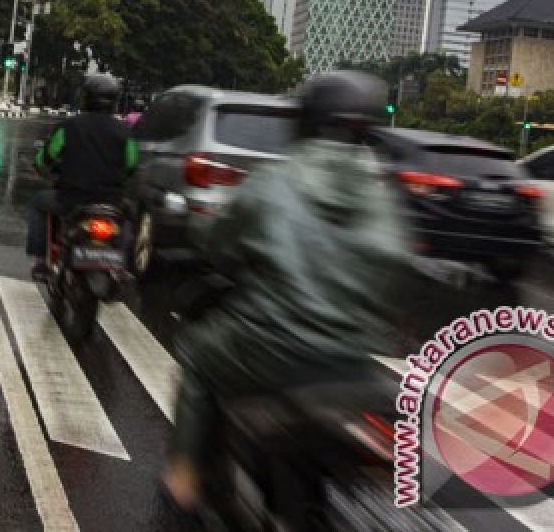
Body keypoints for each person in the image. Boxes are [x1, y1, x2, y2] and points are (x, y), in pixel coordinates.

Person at [162, 70, 416, 513]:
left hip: (265, 344)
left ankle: (184, 475)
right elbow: (396, 269)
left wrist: (203, 235)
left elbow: (220, 244)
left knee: (197, 359)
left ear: (307, 121)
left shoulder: (275, 180)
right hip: (350, 358)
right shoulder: (382, 196)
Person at [28, 74, 139, 274]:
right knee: (131, 218)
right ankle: (125, 268)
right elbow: (132, 165)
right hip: (112, 203)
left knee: (38, 202)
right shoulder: (125, 133)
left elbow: (45, 159)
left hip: (71, 200)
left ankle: (41, 261)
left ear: (86, 98)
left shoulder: (69, 127)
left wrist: (42, 169)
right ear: (114, 101)